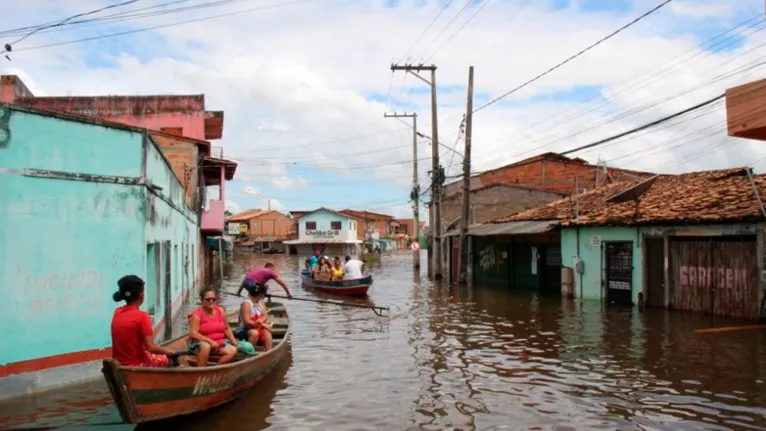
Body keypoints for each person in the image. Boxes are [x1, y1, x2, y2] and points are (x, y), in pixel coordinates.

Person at [110, 275, 176, 367]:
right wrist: (170, 351)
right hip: (140, 364)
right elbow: (151, 347)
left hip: (120, 363)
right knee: (171, 359)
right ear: (141, 295)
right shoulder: (143, 316)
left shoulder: (117, 312)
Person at [188, 288, 239, 367]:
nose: (211, 301)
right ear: (202, 301)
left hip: (218, 344)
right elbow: (193, 334)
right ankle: (201, 370)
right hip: (199, 344)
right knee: (206, 346)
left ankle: (216, 368)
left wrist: (234, 342)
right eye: (208, 299)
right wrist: (210, 341)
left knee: (233, 350)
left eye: (213, 299)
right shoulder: (197, 315)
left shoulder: (220, 311)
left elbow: (226, 328)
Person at [236, 283, 273, 350]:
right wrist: (262, 324)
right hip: (245, 330)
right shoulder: (246, 303)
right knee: (254, 333)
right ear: (260, 295)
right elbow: (248, 321)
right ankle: (250, 352)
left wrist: (261, 321)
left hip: (257, 325)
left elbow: (265, 315)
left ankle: (269, 352)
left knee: (267, 331)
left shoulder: (261, 301)